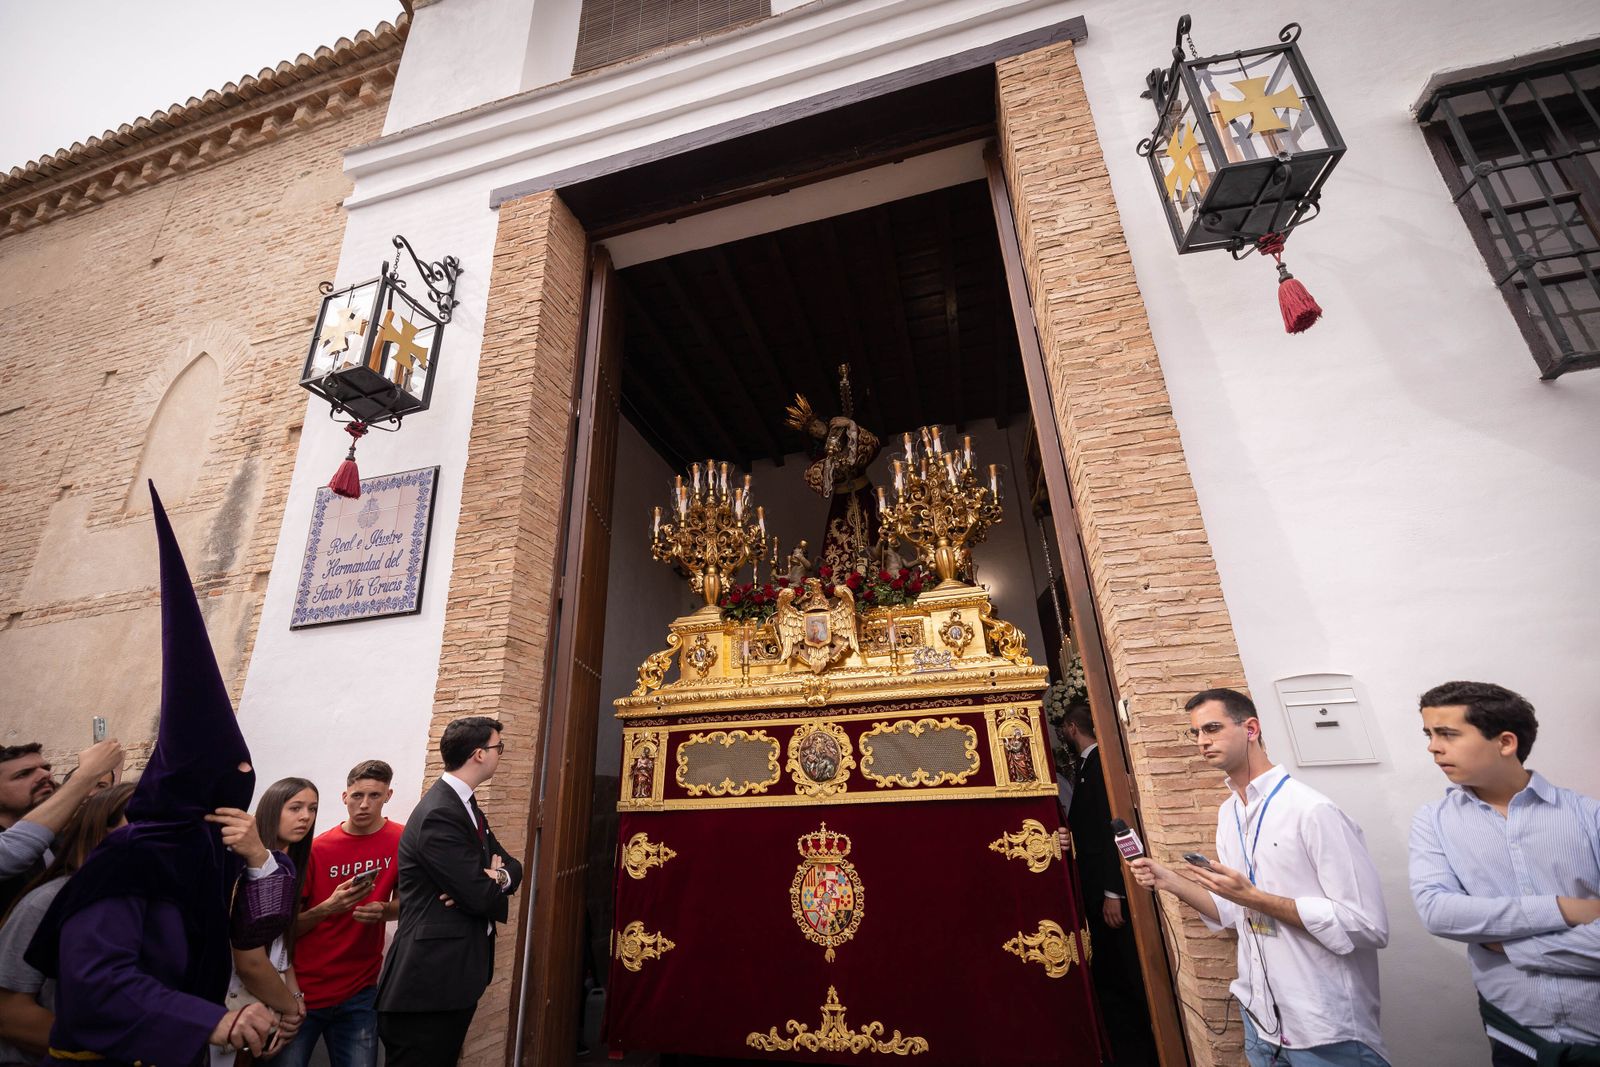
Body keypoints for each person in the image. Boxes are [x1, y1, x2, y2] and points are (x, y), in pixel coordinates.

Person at [24, 485, 293, 1065]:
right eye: (229, 774)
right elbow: (96, 980)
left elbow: (258, 929)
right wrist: (214, 1021)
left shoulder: (205, 849)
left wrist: (256, 859)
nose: (238, 787)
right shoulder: (130, 855)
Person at [1126, 688, 1390, 1066]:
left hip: (1323, 1027)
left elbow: (1366, 925)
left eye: (1212, 728)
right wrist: (1169, 880)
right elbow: (1232, 912)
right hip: (1260, 1019)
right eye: (1196, 733)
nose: (1202, 742)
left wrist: (1255, 898)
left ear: (1250, 728)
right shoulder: (1229, 813)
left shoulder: (1312, 811)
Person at [1409, 680, 1600, 1065]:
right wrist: (1565, 909)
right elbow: (1438, 912)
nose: (1433, 746)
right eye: (1429, 734)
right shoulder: (1434, 822)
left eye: (1447, 733)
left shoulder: (1589, 817)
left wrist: (1509, 946)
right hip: (1515, 1038)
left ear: (1506, 742)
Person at [376, 717, 523, 1066]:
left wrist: (496, 877)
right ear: (478, 755)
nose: (499, 754)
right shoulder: (440, 812)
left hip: (449, 980)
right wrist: (481, 884)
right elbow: (478, 895)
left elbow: (514, 868)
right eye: (497, 747)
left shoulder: (466, 806)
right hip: (426, 985)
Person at [0, 782, 135, 1065]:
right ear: (103, 832)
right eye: (140, 820)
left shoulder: (156, 905)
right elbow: (9, 1013)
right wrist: (117, 1049)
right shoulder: (48, 902)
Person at [282, 760, 404, 1067]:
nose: (364, 805)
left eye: (374, 796)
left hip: (360, 991)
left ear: (388, 795)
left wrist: (383, 910)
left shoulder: (402, 840)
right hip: (304, 990)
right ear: (344, 797)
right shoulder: (316, 849)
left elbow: (409, 903)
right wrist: (329, 908)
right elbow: (286, 929)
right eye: (357, 796)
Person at [1054, 704, 1153, 1065]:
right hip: (1095, 880)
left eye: (1063, 729)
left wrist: (1115, 892)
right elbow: (1086, 826)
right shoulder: (1085, 767)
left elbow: (1113, 827)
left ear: (1070, 728)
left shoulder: (1099, 766)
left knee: (1127, 962)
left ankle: (1145, 1035)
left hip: (1109, 883)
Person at [210, 777, 320, 1066]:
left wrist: (295, 997)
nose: (306, 817)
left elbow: (283, 944)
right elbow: (250, 962)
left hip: (268, 1003)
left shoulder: (288, 863)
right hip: (234, 1005)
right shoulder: (252, 864)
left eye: (312, 808)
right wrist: (290, 1010)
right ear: (272, 809)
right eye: (295, 807)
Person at [0, 739, 125, 911]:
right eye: (24, 774)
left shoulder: (59, 839)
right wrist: (88, 773)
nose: (45, 775)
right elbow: (13, 853)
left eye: (46, 768)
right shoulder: (15, 848)